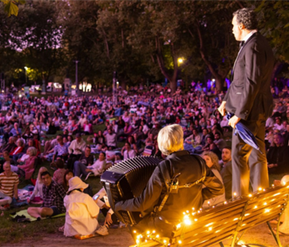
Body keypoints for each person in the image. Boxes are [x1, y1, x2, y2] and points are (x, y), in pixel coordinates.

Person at [114, 124, 224, 237]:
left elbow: (143, 203)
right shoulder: (198, 161)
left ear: (163, 144)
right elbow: (218, 189)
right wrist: (198, 199)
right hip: (191, 219)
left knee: (134, 225)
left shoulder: (164, 167)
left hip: (167, 226)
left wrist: (118, 205)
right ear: (181, 141)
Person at [218, 8, 275, 197]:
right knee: (257, 154)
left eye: (233, 25)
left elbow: (252, 82)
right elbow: (239, 81)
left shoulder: (254, 46)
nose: (232, 29)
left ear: (242, 25)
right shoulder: (253, 43)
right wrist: (226, 100)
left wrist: (239, 115)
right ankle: (261, 198)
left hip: (249, 111)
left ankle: (239, 201)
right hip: (253, 108)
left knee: (239, 155)